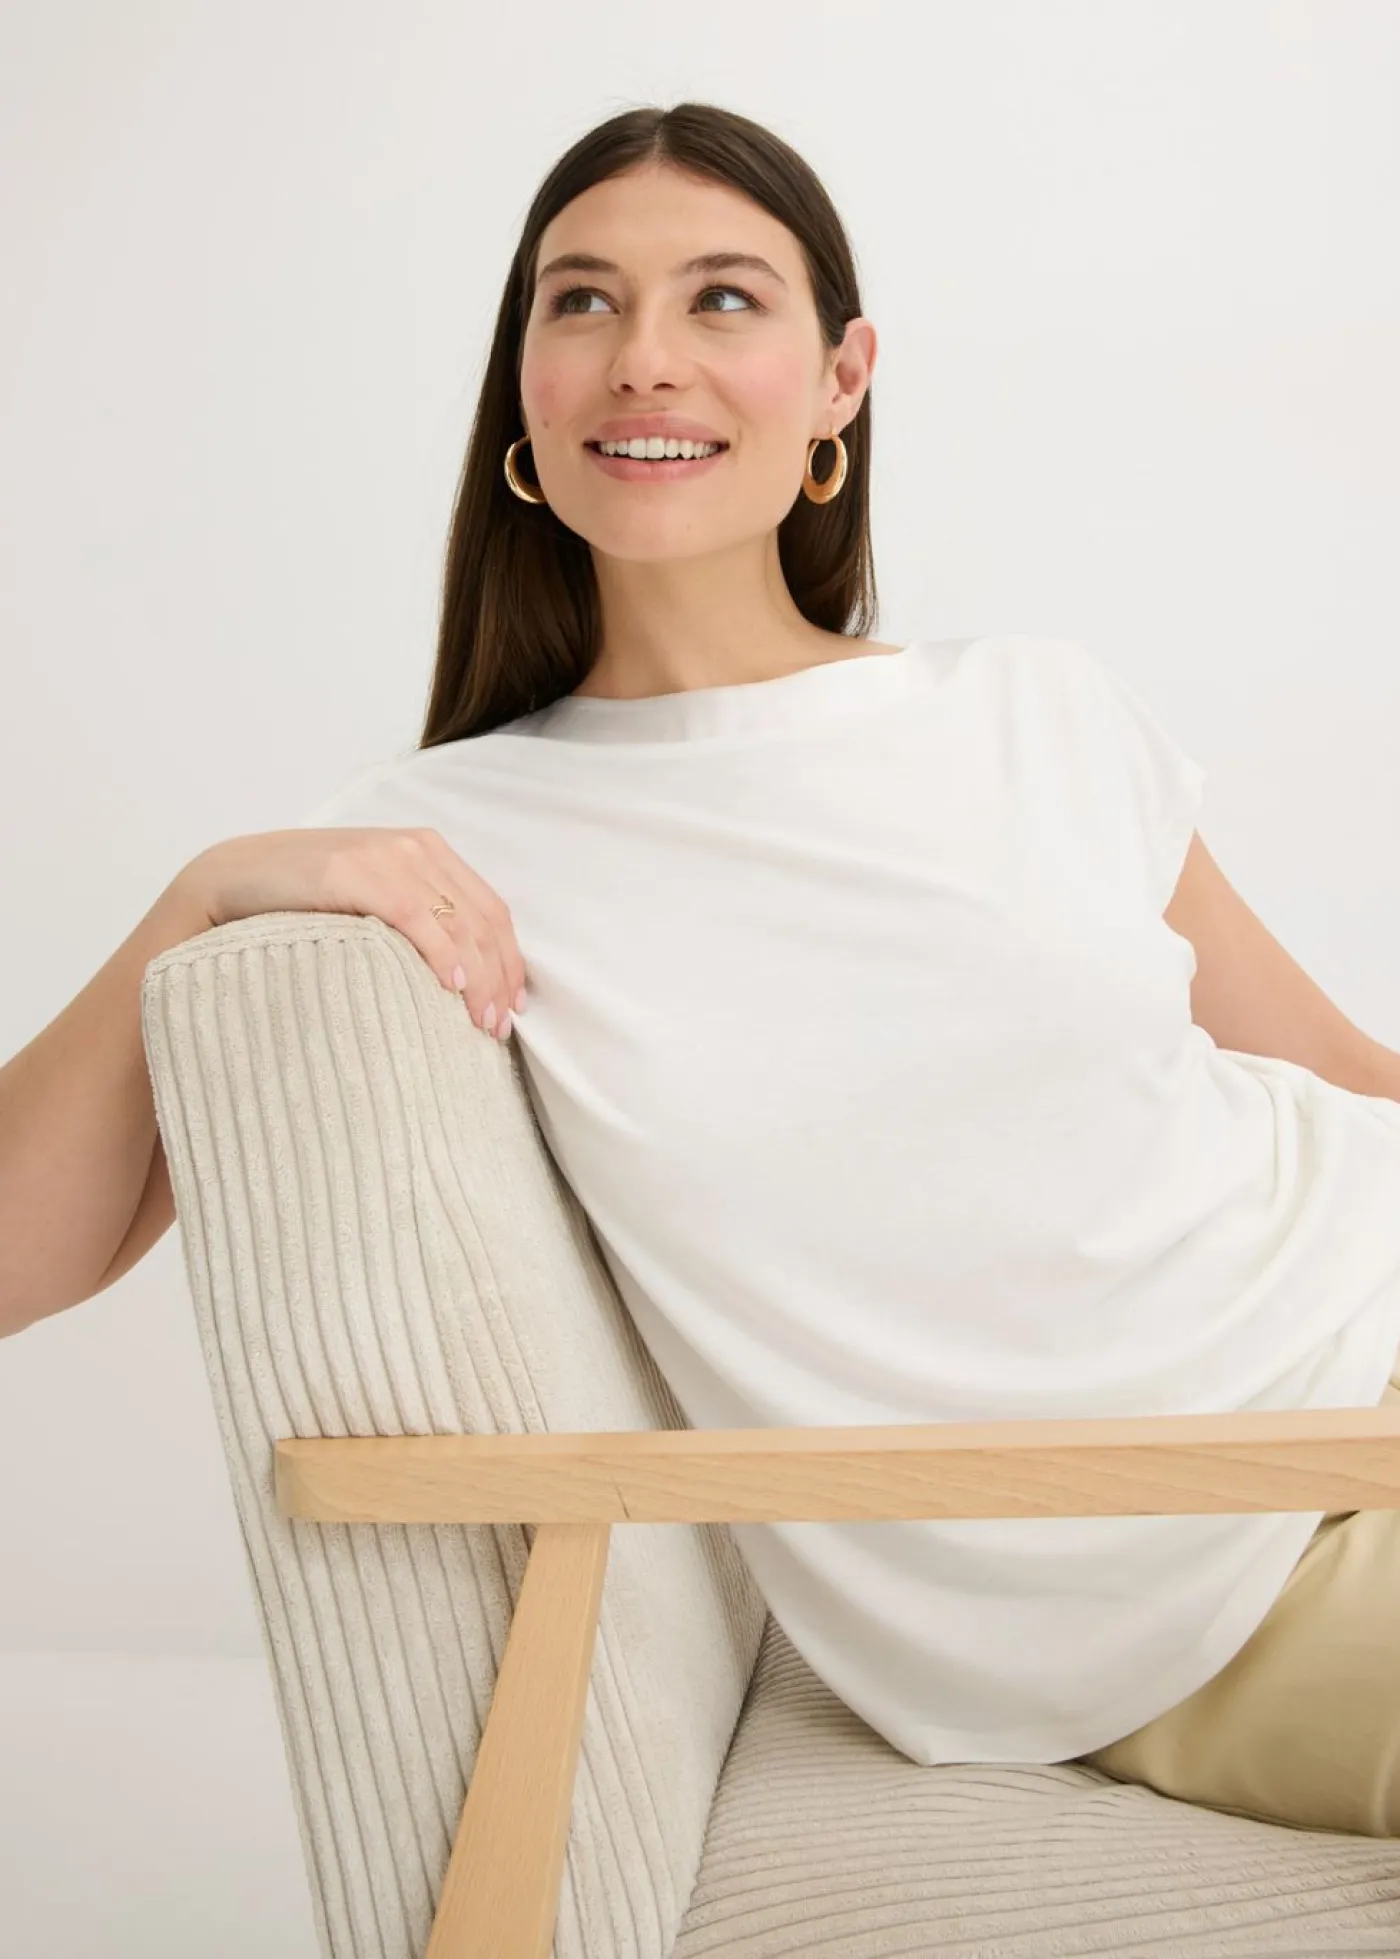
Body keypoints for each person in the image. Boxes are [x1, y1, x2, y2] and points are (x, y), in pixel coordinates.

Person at [5, 100, 1400, 1841]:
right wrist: (199, 895)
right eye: (582, 300)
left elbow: (1342, 1076)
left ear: (840, 379)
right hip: (1194, 1581)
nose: (643, 357)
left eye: (723, 298)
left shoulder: (1033, 704)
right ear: (525, 386)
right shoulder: (439, 845)